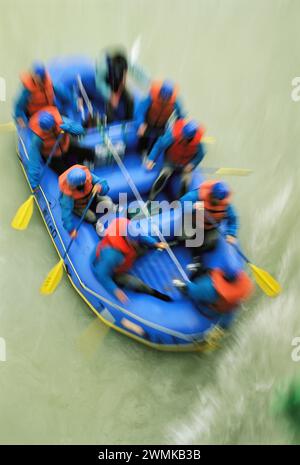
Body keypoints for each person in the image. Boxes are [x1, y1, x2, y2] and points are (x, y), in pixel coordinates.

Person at [90, 217, 171, 303]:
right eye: (135, 241)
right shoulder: (112, 255)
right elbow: (101, 273)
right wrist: (115, 290)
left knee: (143, 247)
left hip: (125, 257)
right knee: (136, 283)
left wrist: (155, 244)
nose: (137, 242)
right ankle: (155, 294)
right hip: (114, 271)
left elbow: (141, 237)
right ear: (128, 239)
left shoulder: (128, 229)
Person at [173, 260, 253, 330]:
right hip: (227, 308)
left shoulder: (208, 288)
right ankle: (224, 328)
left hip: (210, 306)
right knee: (226, 321)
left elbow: (191, 289)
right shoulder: (244, 286)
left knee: (194, 289)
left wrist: (179, 284)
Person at [28, 106, 95, 188]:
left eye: (50, 128)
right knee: (67, 173)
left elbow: (80, 130)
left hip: (66, 145)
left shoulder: (61, 120)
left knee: (89, 152)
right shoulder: (37, 138)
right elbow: (33, 160)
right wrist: (33, 183)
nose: (49, 131)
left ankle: (91, 165)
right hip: (53, 156)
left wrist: (70, 127)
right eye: (46, 130)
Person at [145, 118, 206, 201]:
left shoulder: (197, 144)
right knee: (164, 175)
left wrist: (192, 164)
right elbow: (159, 145)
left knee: (186, 182)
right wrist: (151, 159)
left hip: (185, 165)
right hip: (170, 162)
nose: (183, 138)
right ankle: (151, 197)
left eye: (186, 137)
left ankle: (182, 203)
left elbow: (200, 155)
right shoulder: (172, 136)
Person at [180, 180, 238, 258]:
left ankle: (197, 254)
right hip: (193, 222)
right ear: (211, 193)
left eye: (219, 199)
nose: (217, 201)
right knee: (182, 237)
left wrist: (231, 233)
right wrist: (193, 207)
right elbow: (180, 205)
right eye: (215, 198)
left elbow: (233, 220)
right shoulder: (196, 196)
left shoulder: (226, 205)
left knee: (210, 245)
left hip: (210, 228)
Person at [13, 61, 74, 127]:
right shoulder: (27, 90)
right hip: (35, 114)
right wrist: (19, 116)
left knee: (65, 119)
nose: (38, 80)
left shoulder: (49, 83)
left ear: (43, 77)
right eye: (36, 78)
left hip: (50, 110)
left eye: (39, 78)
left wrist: (74, 100)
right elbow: (19, 105)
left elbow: (63, 93)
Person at [58, 165, 113, 238]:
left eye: (72, 185)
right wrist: (70, 230)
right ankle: (96, 224)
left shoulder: (88, 177)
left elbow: (104, 183)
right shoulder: (68, 194)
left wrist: (101, 187)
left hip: (93, 198)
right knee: (92, 217)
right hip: (80, 206)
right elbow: (66, 211)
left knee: (108, 203)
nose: (70, 186)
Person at [135, 80, 185, 154]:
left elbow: (180, 116)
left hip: (161, 125)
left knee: (155, 142)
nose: (164, 100)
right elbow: (141, 110)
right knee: (142, 140)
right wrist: (141, 124)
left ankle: (149, 155)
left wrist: (178, 129)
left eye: (166, 99)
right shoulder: (151, 96)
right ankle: (139, 151)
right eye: (163, 97)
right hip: (148, 122)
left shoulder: (175, 102)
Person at [95, 48, 134, 123]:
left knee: (130, 99)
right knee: (109, 106)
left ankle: (129, 122)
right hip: (108, 83)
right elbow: (99, 82)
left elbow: (134, 72)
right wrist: (110, 95)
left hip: (117, 81)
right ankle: (109, 123)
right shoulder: (103, 67)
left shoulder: (124, 63)